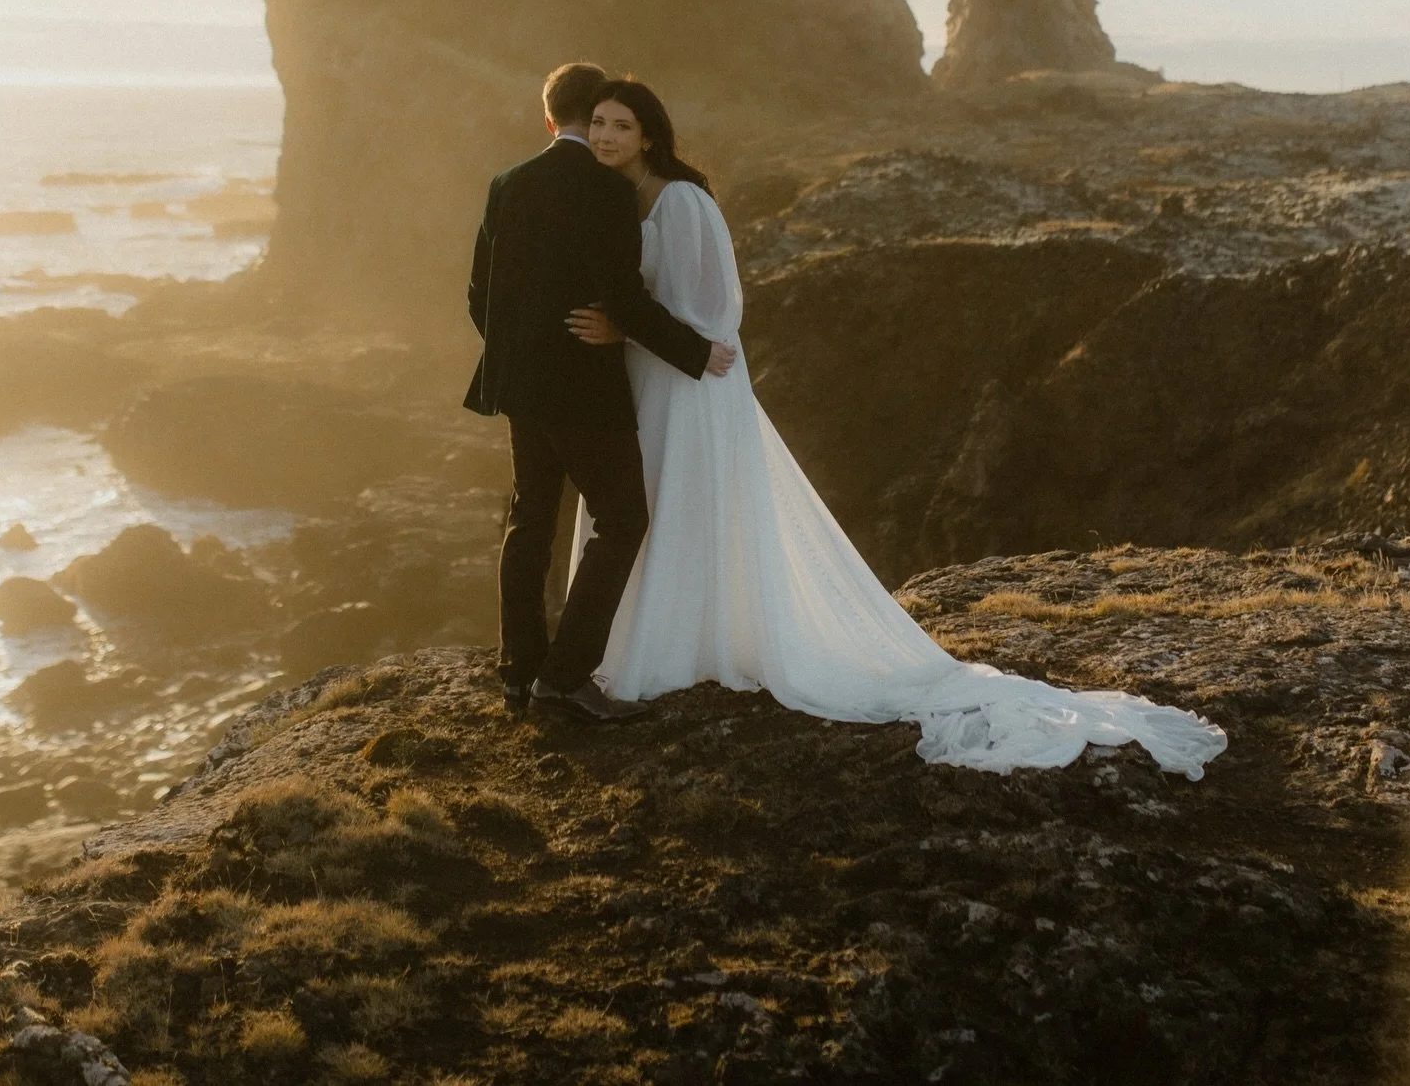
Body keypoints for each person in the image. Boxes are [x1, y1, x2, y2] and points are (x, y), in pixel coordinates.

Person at [565, 78, 1227, 778]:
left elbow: (709, 309)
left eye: (621, 125)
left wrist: (629, 333)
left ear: (649, 135)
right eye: (599, 122)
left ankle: (675, 647)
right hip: (652, 375)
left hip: (690, 381)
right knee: (651, 499)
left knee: (682, 501)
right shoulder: (617, 198)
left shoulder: (681, 199)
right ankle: (654, 639)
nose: (606, 135)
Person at [465, 62, 737, 723]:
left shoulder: (508, 182)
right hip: (584, 388)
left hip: (520, 386)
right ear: (591, 119)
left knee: (531, 518)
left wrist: (522, 351)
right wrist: (694, 351)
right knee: (622, 521)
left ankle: (518, 672)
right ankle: (564, 678)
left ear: (548, 117)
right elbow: (624, 298)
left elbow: (480, 295)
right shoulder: (608, 189)